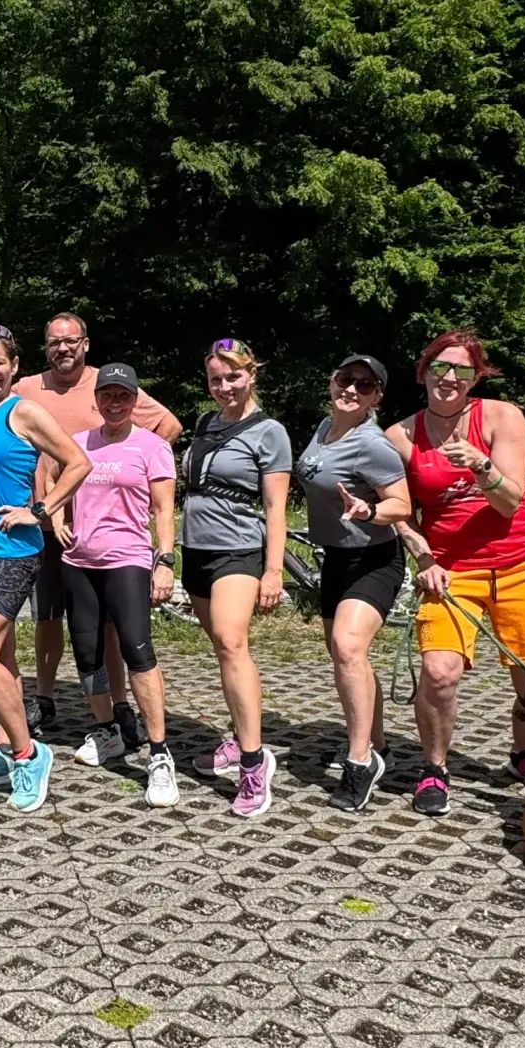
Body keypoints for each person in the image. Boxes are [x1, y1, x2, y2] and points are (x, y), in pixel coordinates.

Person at [386, 330, 525, 817]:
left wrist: (482, 465)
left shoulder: (502, 417)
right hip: (453, 570)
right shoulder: (401, 436)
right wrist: (421, 554)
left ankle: (523, 753)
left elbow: (510, 501)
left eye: (463, 370)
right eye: (441, 368)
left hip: (524, 562)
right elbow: (398, 508)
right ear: (424, 372)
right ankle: (434, 768)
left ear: (475, 377)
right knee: (438, 672)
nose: (450, 378)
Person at [0, 323, 92, 812]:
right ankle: (3, 750)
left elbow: (77, 461)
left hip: (11, 549)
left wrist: (42, 510)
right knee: (1, 660)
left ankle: (30, 755)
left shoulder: (21, 411)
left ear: (13, 368)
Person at [14, 313, 181, 739]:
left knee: (111, 626)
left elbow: (168, 426)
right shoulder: (25, 389)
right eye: (55, 342)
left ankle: (121, 706)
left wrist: (135, 460)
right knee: (48, 616)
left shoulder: (105, 383)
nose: (63, 348)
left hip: (106, 532)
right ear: (45, 346)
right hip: (44, 523)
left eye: (71, 341)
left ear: (85, 344)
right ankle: (46, 698)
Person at [58, 363, 181, 807]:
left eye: (123, 396)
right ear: (96, 399)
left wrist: (165, 560)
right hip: (79, 561)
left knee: (137, 650)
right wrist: (56, 519)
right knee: (88, 655)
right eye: (107, 395)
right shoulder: (77, 444)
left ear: (135, 401)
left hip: (127, 558)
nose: (114, 403)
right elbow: (56, 485)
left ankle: (160, 753)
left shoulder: (151, 446)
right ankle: (108, 731)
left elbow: (164, 509)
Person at [295, 354, 414, 812]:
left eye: (365, 386)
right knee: (349, 658)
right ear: (332, 381)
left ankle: (359, 759)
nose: (352, 389)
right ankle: (378, 744)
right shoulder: (324, 431)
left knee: (348, 649)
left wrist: (369, 512)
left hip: (375, 558)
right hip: (336, 560)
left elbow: (401, 504)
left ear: (376, 397)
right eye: (346, 379)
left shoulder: (373, 444)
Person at [181, 338, 293, 818]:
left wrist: (273, 570)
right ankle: (236, 737)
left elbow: (275, 507)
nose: (224, 386)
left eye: (233, 377)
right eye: (215, 379)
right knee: (222, 650)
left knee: (231, 643)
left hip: (238, 549)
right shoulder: (207, 423)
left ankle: (253, 761)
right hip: (196, 551)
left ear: (253, 374)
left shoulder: (270, 432)